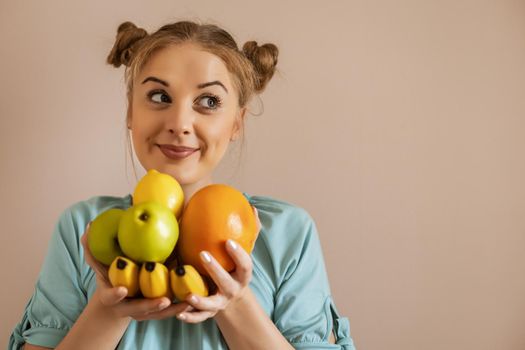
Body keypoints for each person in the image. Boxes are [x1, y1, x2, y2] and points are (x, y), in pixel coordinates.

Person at [9, 20, 356, 350]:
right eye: (159, 96)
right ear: (131, 111)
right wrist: (107, 309)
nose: (179, 123)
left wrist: (234, 303)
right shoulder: (81, 228)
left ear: (237, 122)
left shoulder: (288, 233)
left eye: (208, 102)